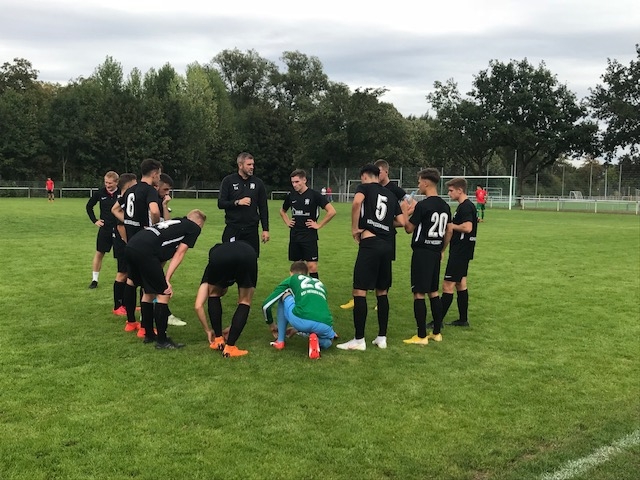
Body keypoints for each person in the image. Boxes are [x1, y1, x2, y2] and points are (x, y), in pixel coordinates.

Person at [337, 164, 404, 351]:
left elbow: (356, 203)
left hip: (370, 243)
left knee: (359, 291)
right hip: (387, 245)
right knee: (382, 292)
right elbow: (401, 221)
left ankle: (359, 340)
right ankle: (382, 337)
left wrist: (354, 228)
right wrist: (384, 223)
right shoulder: (391, 194)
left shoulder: (364, 188)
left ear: (364, 176)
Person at [125, 209, 206, 349]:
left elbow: (162, 251)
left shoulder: (176, 221)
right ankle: (162, 341)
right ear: (198, 223)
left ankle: (149, 334)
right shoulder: (194, 227)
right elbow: (179, 254)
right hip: (146, 251)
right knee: (164, 294)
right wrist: (166, 279)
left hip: (132, 245)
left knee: (148, 292)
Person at [400, 168, 453, 345]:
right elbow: (449, 230)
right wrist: (442, 249)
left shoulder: (423, 206)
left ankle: (421, 336)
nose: (418, 185)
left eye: (419, 182)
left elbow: (409, 229)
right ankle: (437, 332)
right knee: (434, 292)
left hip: (422, 252)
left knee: (419, 294)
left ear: (426, 183)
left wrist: (405, 212)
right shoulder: (445, 206)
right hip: (435, 251)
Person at [111, 158, 163, 333]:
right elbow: (154, 211)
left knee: (131, 281)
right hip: (144, 243)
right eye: (159, 174)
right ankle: (145, 328)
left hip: (130, 243)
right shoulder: (149, 191)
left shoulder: (130, 190)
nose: (159, 178)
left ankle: (130, 322)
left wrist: (127, 221)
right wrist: (155, 226)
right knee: (147, 284)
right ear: (154, 174)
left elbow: (114, 209)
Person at [194, 241, 258, 357]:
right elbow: (242, 303)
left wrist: (209, 330)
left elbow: (199, 305)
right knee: (245, 301)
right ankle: (230, 347)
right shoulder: (230, 252)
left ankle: (218, 340)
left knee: (213, 294)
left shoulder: (213, 266)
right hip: (247, 254)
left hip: (221, 257)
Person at [262, 261, 337, 359]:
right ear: (307, 273)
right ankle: (316, 340)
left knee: (284, 295)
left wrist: (271, 324)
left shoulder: (292, 279)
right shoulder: (319, 283)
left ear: (291, 273)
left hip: (301, 320)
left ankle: (280, 341)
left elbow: (266, 306)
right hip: (326, 324)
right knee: (328, 342)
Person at [280, 169, 336, 278]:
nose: (294, 185)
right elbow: (282, 211)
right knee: (297, 267)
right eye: (292, 182)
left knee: (312, 266)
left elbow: (332, 211)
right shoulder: (291, 196)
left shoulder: (314, 195)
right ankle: (298, 287)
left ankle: (314, 288)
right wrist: (287, 222)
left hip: (309, 236)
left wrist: (319, 225)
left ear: (304, 180)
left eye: (297, 182)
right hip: (295, 235)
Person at [441, 177, 478, 327]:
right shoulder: (464, 206)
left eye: (451, 190)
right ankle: (463, 320)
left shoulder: (465, 207)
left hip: (460, 251)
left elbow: (468, 227)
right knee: (460, 284)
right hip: (463, 250)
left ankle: (437, 321)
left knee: (447, 285)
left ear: (460, 190)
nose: (449, 193)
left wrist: (451, 226)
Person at [217, 152, 269, 256]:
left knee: (251, 259)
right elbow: (221, 203)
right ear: (240, 165)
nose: (252, 167)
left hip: (251, 230)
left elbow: (263, 208)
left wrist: (265, 229)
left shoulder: (258, 183)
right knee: (230, 259)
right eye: (249, 164)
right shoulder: (228, 181)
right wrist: (237, 202)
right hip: (233, 228)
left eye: (253, 164)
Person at [154, 173, 186, 327]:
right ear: (157, 186)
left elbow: (167, 224)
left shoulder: (160, 201)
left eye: (169, 190)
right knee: (155, 280)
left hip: (160, 245)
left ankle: (152, 313)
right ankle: (163, 314)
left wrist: (165, 206)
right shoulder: (150, 199)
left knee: (152, 279)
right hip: (151, 245)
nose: (167, 193)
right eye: (165, 189)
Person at [86, 171, 120, 289]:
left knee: (120, 255)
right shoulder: (100, 193)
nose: (107, 185)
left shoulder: (122, 192)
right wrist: (95, 220)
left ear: (116, 182)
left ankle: (121, 278)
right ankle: (94, 280)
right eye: (106, 182)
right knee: (99, 253)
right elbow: (89, 206)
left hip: (119, 229)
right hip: (105, 229)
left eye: (110, 183)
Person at [111, 173, 137, 315]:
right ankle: (118, 306)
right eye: (134, 185)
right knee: (122, 273)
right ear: (127, 186)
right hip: (122, 242)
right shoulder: (121, 202)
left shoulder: (127, 200)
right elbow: (121, 226)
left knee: (128, 273)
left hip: (127, 241)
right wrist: (129, 243)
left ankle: (127, 304)